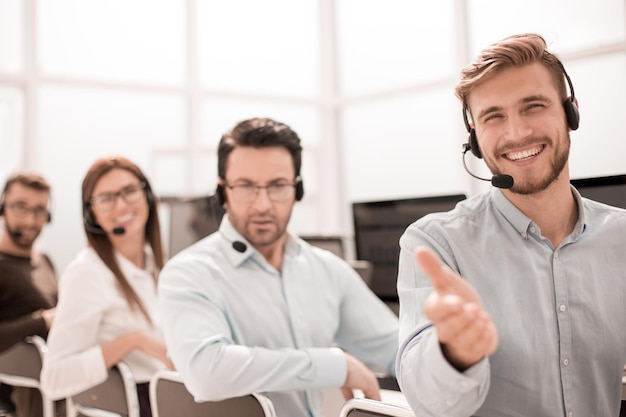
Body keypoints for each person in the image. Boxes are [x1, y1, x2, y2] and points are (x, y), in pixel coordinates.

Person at [395, 33, 626, 417]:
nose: (517, 133)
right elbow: (429, 402)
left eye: (533, 106)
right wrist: (454, 352)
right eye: (493, 116)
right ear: (475, 138)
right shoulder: (436, 244)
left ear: (570, 112)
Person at [158, 117, 399, 417]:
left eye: (277, 186)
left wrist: (455, 352)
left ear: (297, 190)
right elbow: (207, 372)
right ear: (223, 192)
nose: (263, 205)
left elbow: (395, 347)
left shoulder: (327, 271)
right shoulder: (188, 274)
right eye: (246, 187)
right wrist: (334, 365)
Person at [40, 156, 173, 417]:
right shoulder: (87, 274)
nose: (121, 204)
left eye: (129, 191)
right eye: (106, 198)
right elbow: (54, 379)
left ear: (147, 195)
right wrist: (132, 341)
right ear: (92, 214)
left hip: (171, 398)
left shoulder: (156, 266)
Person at [0, 172, 58, 417]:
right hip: (19, 399)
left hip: (54, 387)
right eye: (20, 208)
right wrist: (42, 320)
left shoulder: (45, 261)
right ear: (2, 207)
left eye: (39, 210)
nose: (30, 220)